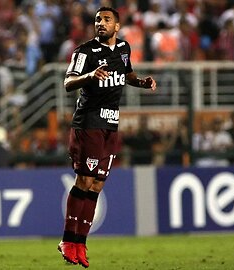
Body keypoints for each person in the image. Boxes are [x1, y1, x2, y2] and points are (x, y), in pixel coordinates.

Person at [57, 6, 156, 268]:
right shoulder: (85, 52)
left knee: (97, 186)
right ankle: (68, 239)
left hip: (111, 123)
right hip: (88, 122)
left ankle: (81, 242)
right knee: (84, 180)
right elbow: (68, 82)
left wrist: (141, 82)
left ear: (117, 26)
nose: (100, 23)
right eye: (98, 19)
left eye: (106, 19)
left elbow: (127, 74)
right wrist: (89, 76)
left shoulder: (123, 49)